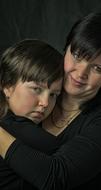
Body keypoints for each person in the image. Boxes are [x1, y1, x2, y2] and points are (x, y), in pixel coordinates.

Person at [0, 12, 101, 190]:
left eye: (97, 68)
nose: (80, 74)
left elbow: (55, 178)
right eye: (77, 56)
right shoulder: (30, 96)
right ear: (65, 49)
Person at [0, 39, 63, 189]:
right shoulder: (21, 131)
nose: (45, 103)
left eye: (54, 94)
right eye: (36, 89)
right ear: (7, 86)